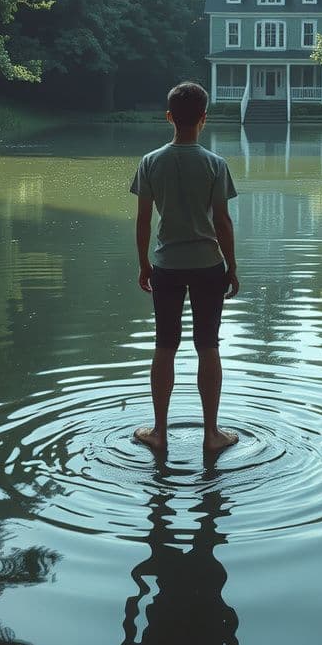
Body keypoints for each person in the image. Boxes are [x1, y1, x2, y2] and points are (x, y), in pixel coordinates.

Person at [130, 81, 239, 453]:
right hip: (209, 264)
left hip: (167, 267)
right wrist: (233, 267)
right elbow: (222, 222)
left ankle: (159, 432)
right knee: (208, 347)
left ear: (169, 117)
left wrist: (144, 263)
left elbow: (143, 220)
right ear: (204, 119)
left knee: (165, 346)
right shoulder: (215, 164)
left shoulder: (150, 162)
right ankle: (212, 434)